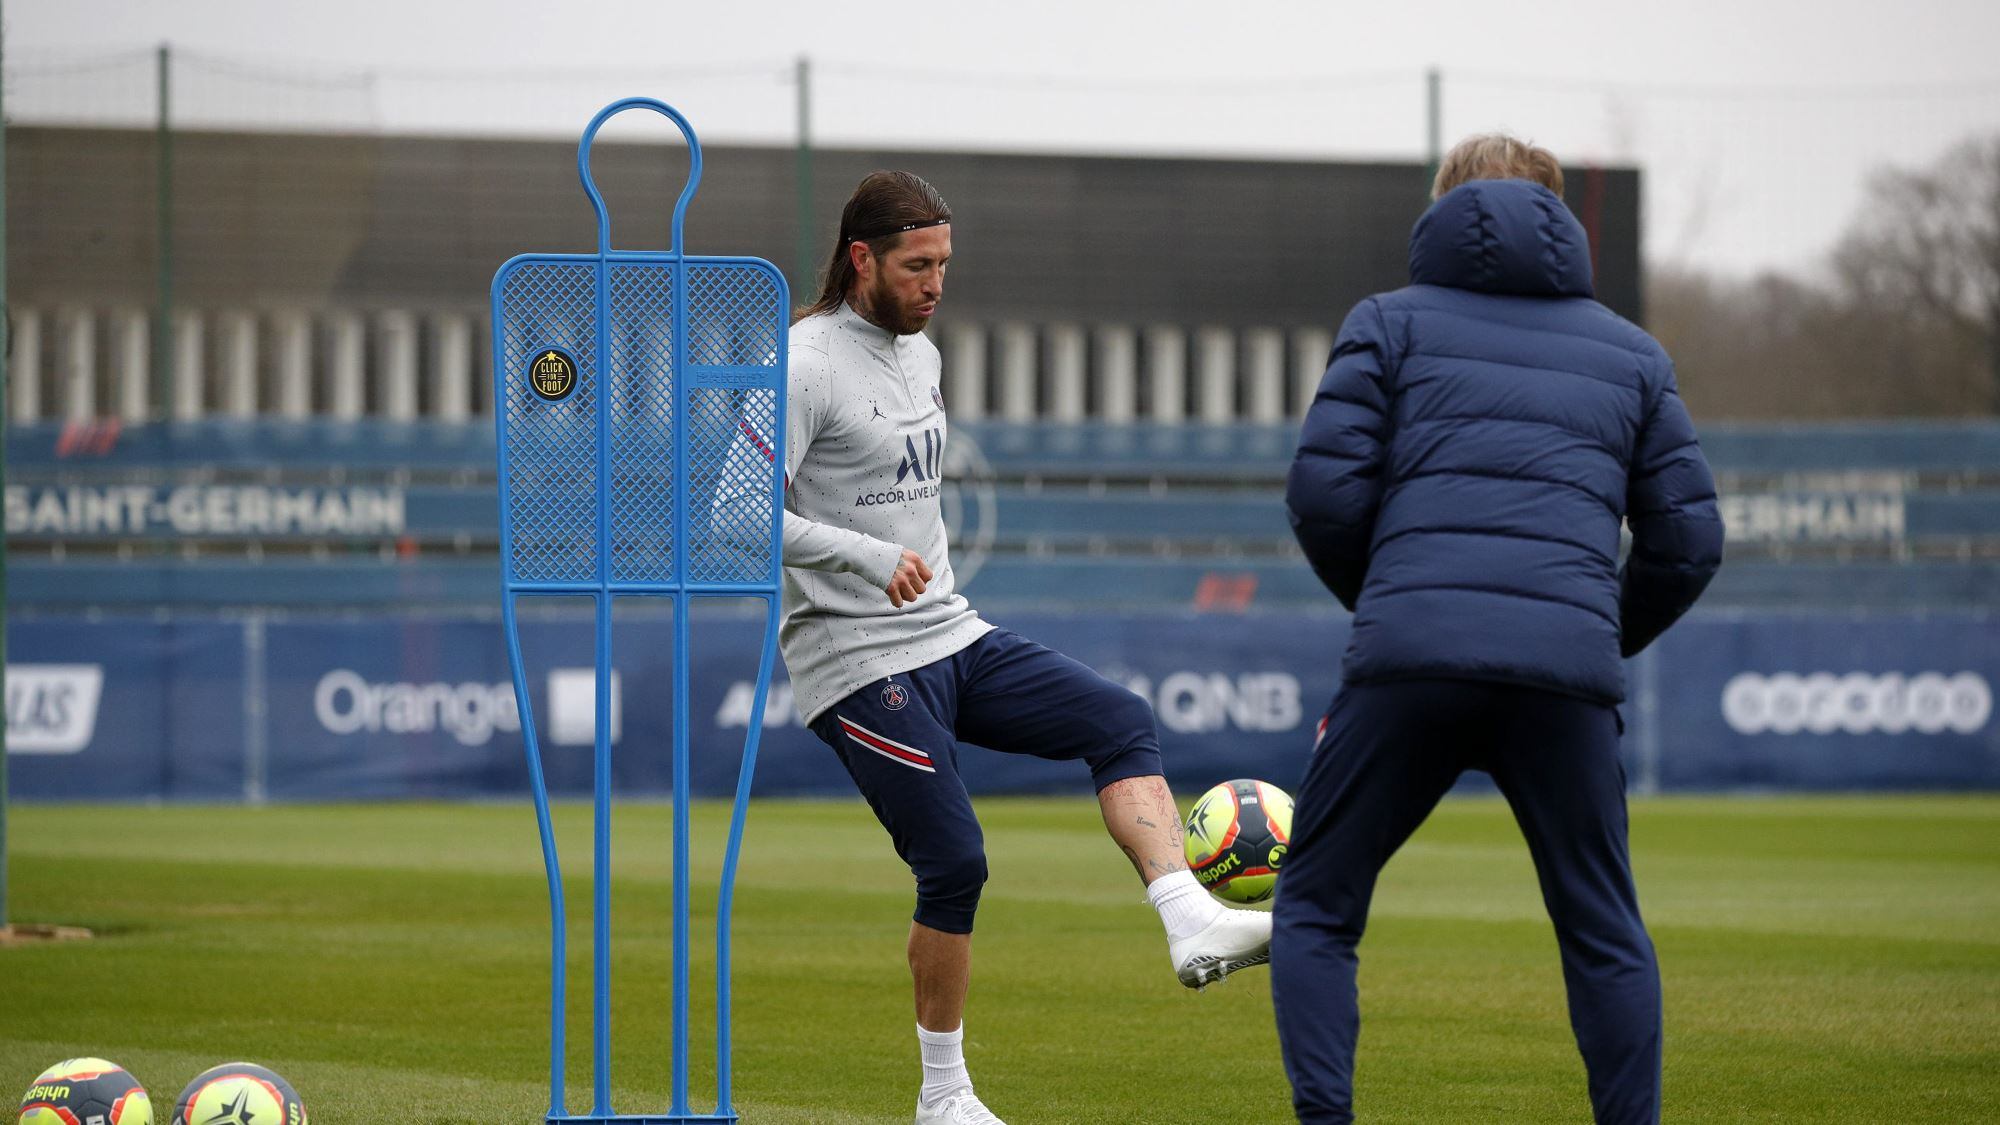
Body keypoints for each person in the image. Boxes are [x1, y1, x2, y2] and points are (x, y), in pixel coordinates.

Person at [757, 170, 1272, 1125]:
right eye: (917, 265)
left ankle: (1189, 920)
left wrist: (909, 569)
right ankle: (942, 1097)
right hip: (854, 660)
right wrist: (869, 557)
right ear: (860, 258)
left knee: (1120, 720)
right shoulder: (801, 363)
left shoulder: (924, 356)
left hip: (951, 631)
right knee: (956, 859)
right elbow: (735, 514)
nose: (935, 283)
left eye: (945, 264)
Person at [1270, 135, 1724, 1125]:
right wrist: (1591, 629)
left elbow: (1318, 493)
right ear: (1561, 217)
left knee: (1314, 905)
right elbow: (1686, 544)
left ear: (1438, 209)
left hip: (1407, 658)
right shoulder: (1632, 355)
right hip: (1562, 678)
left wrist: (1392, 601)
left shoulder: (1385, 324)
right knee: (1601, 929)